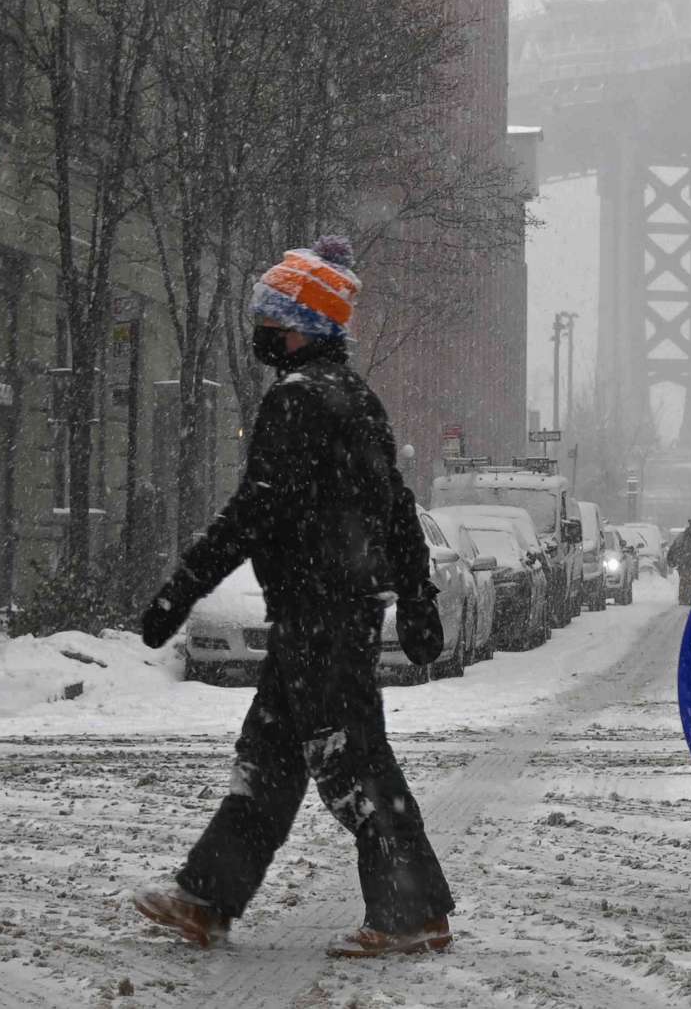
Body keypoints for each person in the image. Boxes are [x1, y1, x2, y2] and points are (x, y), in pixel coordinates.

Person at [131, 238, 455, 960]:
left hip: (319, 615)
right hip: (328, 613)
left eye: (271, 319)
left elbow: (253, 513)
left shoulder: (298, 402)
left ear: (303, 325)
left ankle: (410, 912)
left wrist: (177, 592)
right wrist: (417, 592)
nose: (262, 333)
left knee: (351, 761)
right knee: (269, 763)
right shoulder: (356, 397)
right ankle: (207, 899)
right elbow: (397, 507)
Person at [669, 520, 691, 604]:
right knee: (688, 580)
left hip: (683, 561)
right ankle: (686, 598)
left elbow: (673, 547)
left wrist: (674, 559)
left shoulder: (683, 536)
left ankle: (683, 598)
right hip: (687, 562)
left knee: (685, 580)